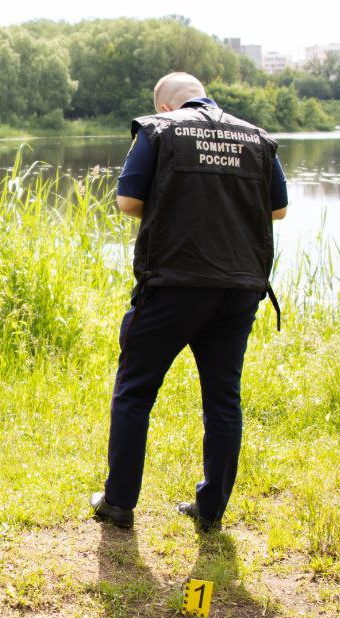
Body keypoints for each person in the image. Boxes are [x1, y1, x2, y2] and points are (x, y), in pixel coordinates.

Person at [90, 72, 288, 533]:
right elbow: (277, 210)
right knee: (223, 399)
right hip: (238, 288)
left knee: (135, 390)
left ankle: (119, 502)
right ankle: (212, 509)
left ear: (165, 107)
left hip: (175, 283)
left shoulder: (158, 130)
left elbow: (127, 200)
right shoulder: (256, 137)